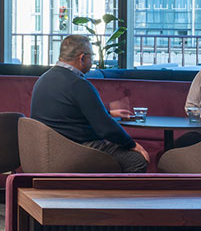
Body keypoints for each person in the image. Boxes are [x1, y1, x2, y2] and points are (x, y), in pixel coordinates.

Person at [28, 34, 148, 173]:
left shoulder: (44, 79)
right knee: (136, 160)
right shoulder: (78, 84)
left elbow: (67, 113)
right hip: (76, 149)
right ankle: (113, 195)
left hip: (48, 150)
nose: (93, 60)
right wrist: (132, 144)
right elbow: (105, 128)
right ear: (82, 58)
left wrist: (108, 113)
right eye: (92, 56)